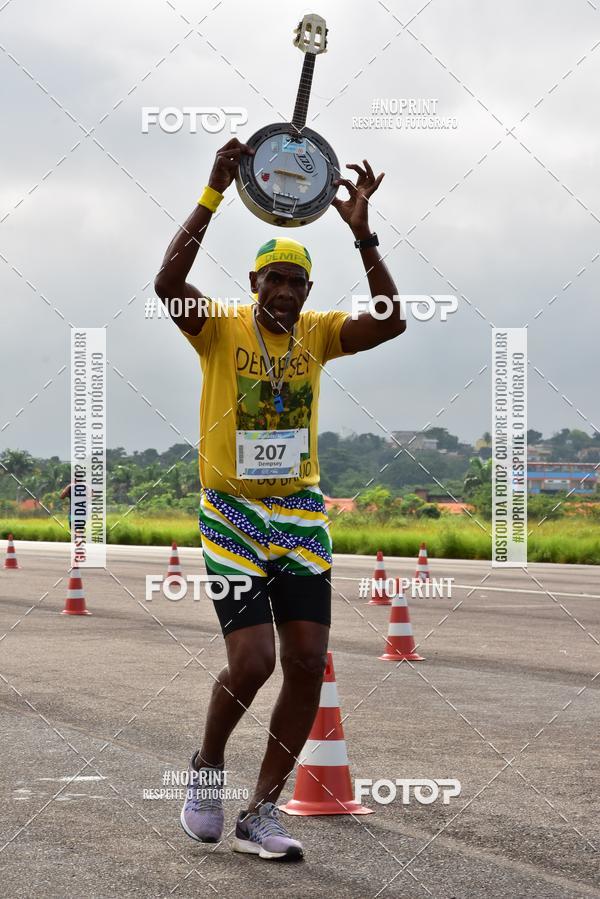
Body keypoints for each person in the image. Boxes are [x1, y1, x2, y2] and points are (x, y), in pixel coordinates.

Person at [154, 138, 406, 861]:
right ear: (254, 280)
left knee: (306, 658)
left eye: (298, 281)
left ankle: (261, 811)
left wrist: (362, 235)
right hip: (230, 510)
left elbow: (390, 318)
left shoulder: (320, 335)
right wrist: (210, 192)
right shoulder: (221, 328)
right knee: (255, 660)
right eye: (275, 279)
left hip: (299, 510)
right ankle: (206, 769)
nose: (287, 291)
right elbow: (168, 282)